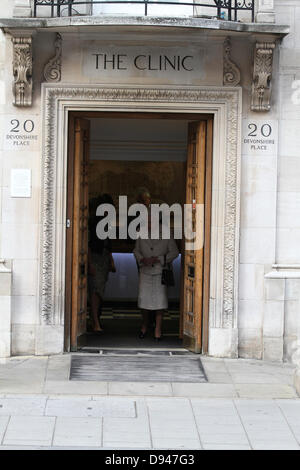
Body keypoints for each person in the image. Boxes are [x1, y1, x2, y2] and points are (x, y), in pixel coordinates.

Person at [133, 190, 179, 341]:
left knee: (160, 303)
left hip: (160, 271)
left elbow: (174, 252)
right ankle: (144, 325)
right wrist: (142, 259)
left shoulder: (166, 232)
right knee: (144, 301)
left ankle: (158, 329)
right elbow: (136, 250)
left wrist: (159, 258)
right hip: (145, 271)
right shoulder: (140, 231)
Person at [88, 194, 116, 332]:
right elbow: (87, 244)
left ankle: (95, 319)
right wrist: (89, 263)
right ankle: (95, 321)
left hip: (103, 258)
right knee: (95, 290)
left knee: (99, 290)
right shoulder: (93, 222)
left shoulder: (107, 223)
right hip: (95, 258)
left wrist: (111, 260)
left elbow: (108, 244)